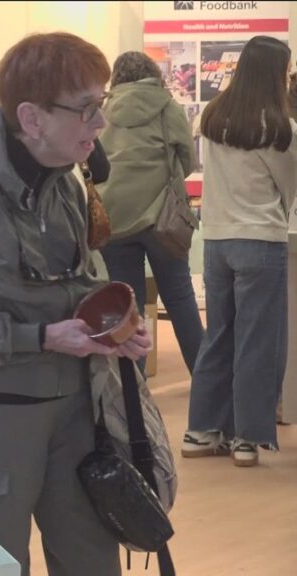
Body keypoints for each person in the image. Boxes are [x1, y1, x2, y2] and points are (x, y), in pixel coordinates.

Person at [0, 32, 150, 575]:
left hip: (75, 415)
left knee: (93, 564)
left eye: (101, 104)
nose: (100, 124)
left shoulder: (67, 181)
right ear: (31, 118)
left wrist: (118, 326)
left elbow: (80, 281)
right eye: (86, 109)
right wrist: (38, 337)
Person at [185, 36, 297, 467]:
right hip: (261, 240)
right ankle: (248, 438)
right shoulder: (279, 128)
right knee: (256, 340)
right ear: (274, 72)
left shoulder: (214, 118)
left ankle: (200, 430)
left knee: (219, 335)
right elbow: (288, 187)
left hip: (216, 239)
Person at [98, 51, 205, 375]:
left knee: (127, 306)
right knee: (179, 298)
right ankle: (203, 379)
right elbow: (188, 160)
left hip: (114, 218)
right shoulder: (166, 106)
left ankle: (135, 381)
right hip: (162, 218)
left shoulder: (104, 108)